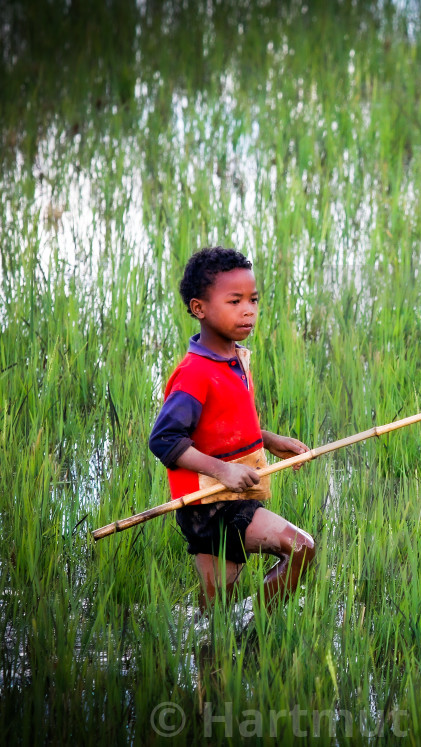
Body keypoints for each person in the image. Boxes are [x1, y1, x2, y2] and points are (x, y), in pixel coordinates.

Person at [148, 246, 316, 612]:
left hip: (230, 494)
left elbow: (225, 423)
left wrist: (270, 442)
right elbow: (164, 440)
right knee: (301, 547)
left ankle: (218, 650)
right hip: (208, 503)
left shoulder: (235, 359)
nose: (248, 310)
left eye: (253, 299)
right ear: (199, 308)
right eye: (234, 300)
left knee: (216, 607)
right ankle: (253, 629)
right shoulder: (195, 373)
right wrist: (223, 469)